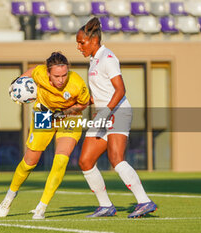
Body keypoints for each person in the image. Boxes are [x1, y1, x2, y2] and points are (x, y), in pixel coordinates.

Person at [76, 17, 157, 218]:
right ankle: (105, 206)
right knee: (85, 161)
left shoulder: (108, 58)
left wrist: (105, 112)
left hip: (117, 112)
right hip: (103, 114)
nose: (79, 47)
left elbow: (120, 90)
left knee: (115, 158)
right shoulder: (94, 60)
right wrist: (78, 105)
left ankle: (144, 201)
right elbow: (101, 94)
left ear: (94, 40)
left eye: (81, 42)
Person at [0, 52, 90, 220]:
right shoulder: (40, 73)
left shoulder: (77, 83)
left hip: (69, 117)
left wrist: (63, 113)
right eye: (57, 76)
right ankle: (9, 197)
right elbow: (33, 71)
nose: (61, 79)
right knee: (29, 162)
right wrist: (17, 83)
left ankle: (41, 207)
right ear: (48, 74)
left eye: (64, 75)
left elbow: (84, 103)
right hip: (44, 114)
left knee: (61, 160)